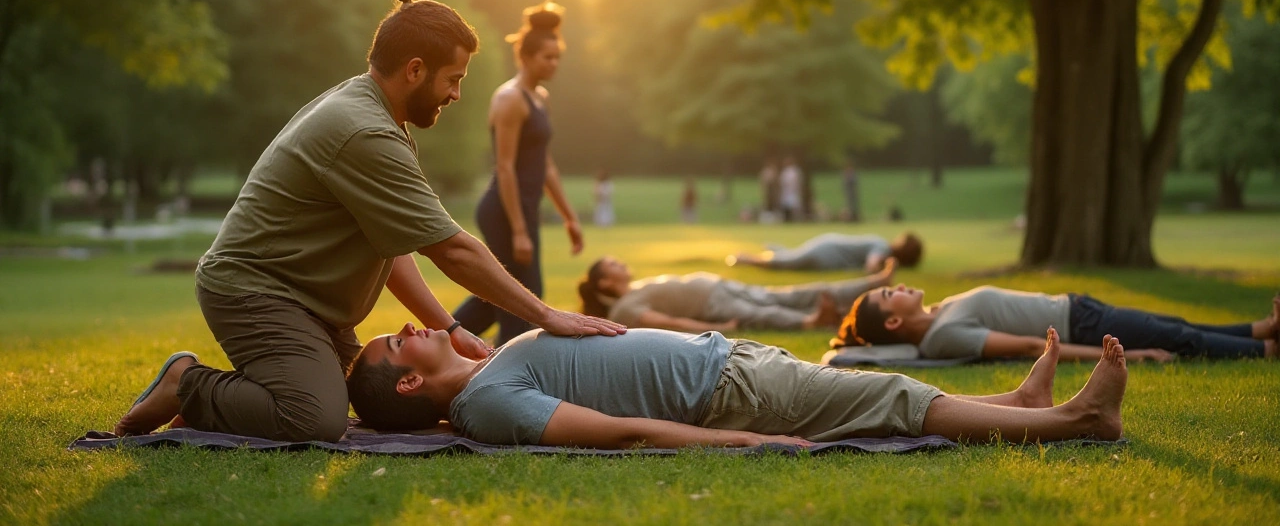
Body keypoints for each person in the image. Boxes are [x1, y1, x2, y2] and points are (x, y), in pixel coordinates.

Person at [112, 0, 623, 442]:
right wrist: (546, 314)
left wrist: (448, 328)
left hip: (311, 307)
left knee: (371, 402)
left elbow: (392, 248)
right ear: (415, 70)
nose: (457, 94)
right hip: (255, 292)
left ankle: (226, 401)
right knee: (315, 419)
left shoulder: (379, 118)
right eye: (452, 78)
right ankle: (187, 384)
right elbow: (450, 248)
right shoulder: (366, 132)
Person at [345, 321, 1129, 447]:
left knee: (883, 395)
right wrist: (740, 442)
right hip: (730, 400)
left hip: (728, 364)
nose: (411, 324)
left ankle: (1018, 406)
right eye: (399, 339)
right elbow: (619, 433)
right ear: (411, 382)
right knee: (890, 401)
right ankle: (1076, 422)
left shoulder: (481, 372)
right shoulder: (484, 404)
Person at [452, 1, 584, 347]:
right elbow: (505, 167)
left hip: (523, 210)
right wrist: (520, 231)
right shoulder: (510, 99)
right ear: (524, 56)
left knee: (495, 299)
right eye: (547, 57)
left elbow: (546, 165)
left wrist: (569, 216)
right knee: (524, 300)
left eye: (558, 57)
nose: (554, 64)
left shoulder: (540, 98)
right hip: (503, 212)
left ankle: (440, 338)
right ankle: (510, 374)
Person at [839, 284, 1280, 361]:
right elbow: (1034, 347)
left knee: (1174, 323)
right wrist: (1117, 354)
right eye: (887, 293)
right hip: (1082, 328)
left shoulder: (940, 311)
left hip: (1077, 307)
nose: (895, 285)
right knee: (1175, 336)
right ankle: (1264, 351)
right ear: (894, 321)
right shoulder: (944, 337)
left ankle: (1261, 330)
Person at [577, 257, 899, 332]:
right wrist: (715, 329)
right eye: (613, 264)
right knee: (765, 314)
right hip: (712, 303)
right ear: (605, 283)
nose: (622, 263)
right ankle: (812, 321)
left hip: (719, 286)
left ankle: (869, 285)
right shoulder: (622, 309)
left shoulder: (634, 289)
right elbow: (668, 321)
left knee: (790, 294)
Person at [729, 231, 923, 271]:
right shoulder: (882, 247)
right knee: (787, 263)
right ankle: (744, 258)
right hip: (826, 253)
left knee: (791, 257)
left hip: (828, 249)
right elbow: (871, 266)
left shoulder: (881, 243)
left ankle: (775, 248)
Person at [778, 157, 803, 222]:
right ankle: (788, 219)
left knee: (794, 208)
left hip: (792, 192)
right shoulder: (786, 172)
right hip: (787, 192)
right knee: (787, 207)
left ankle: (795, 219)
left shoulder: (794, 171)